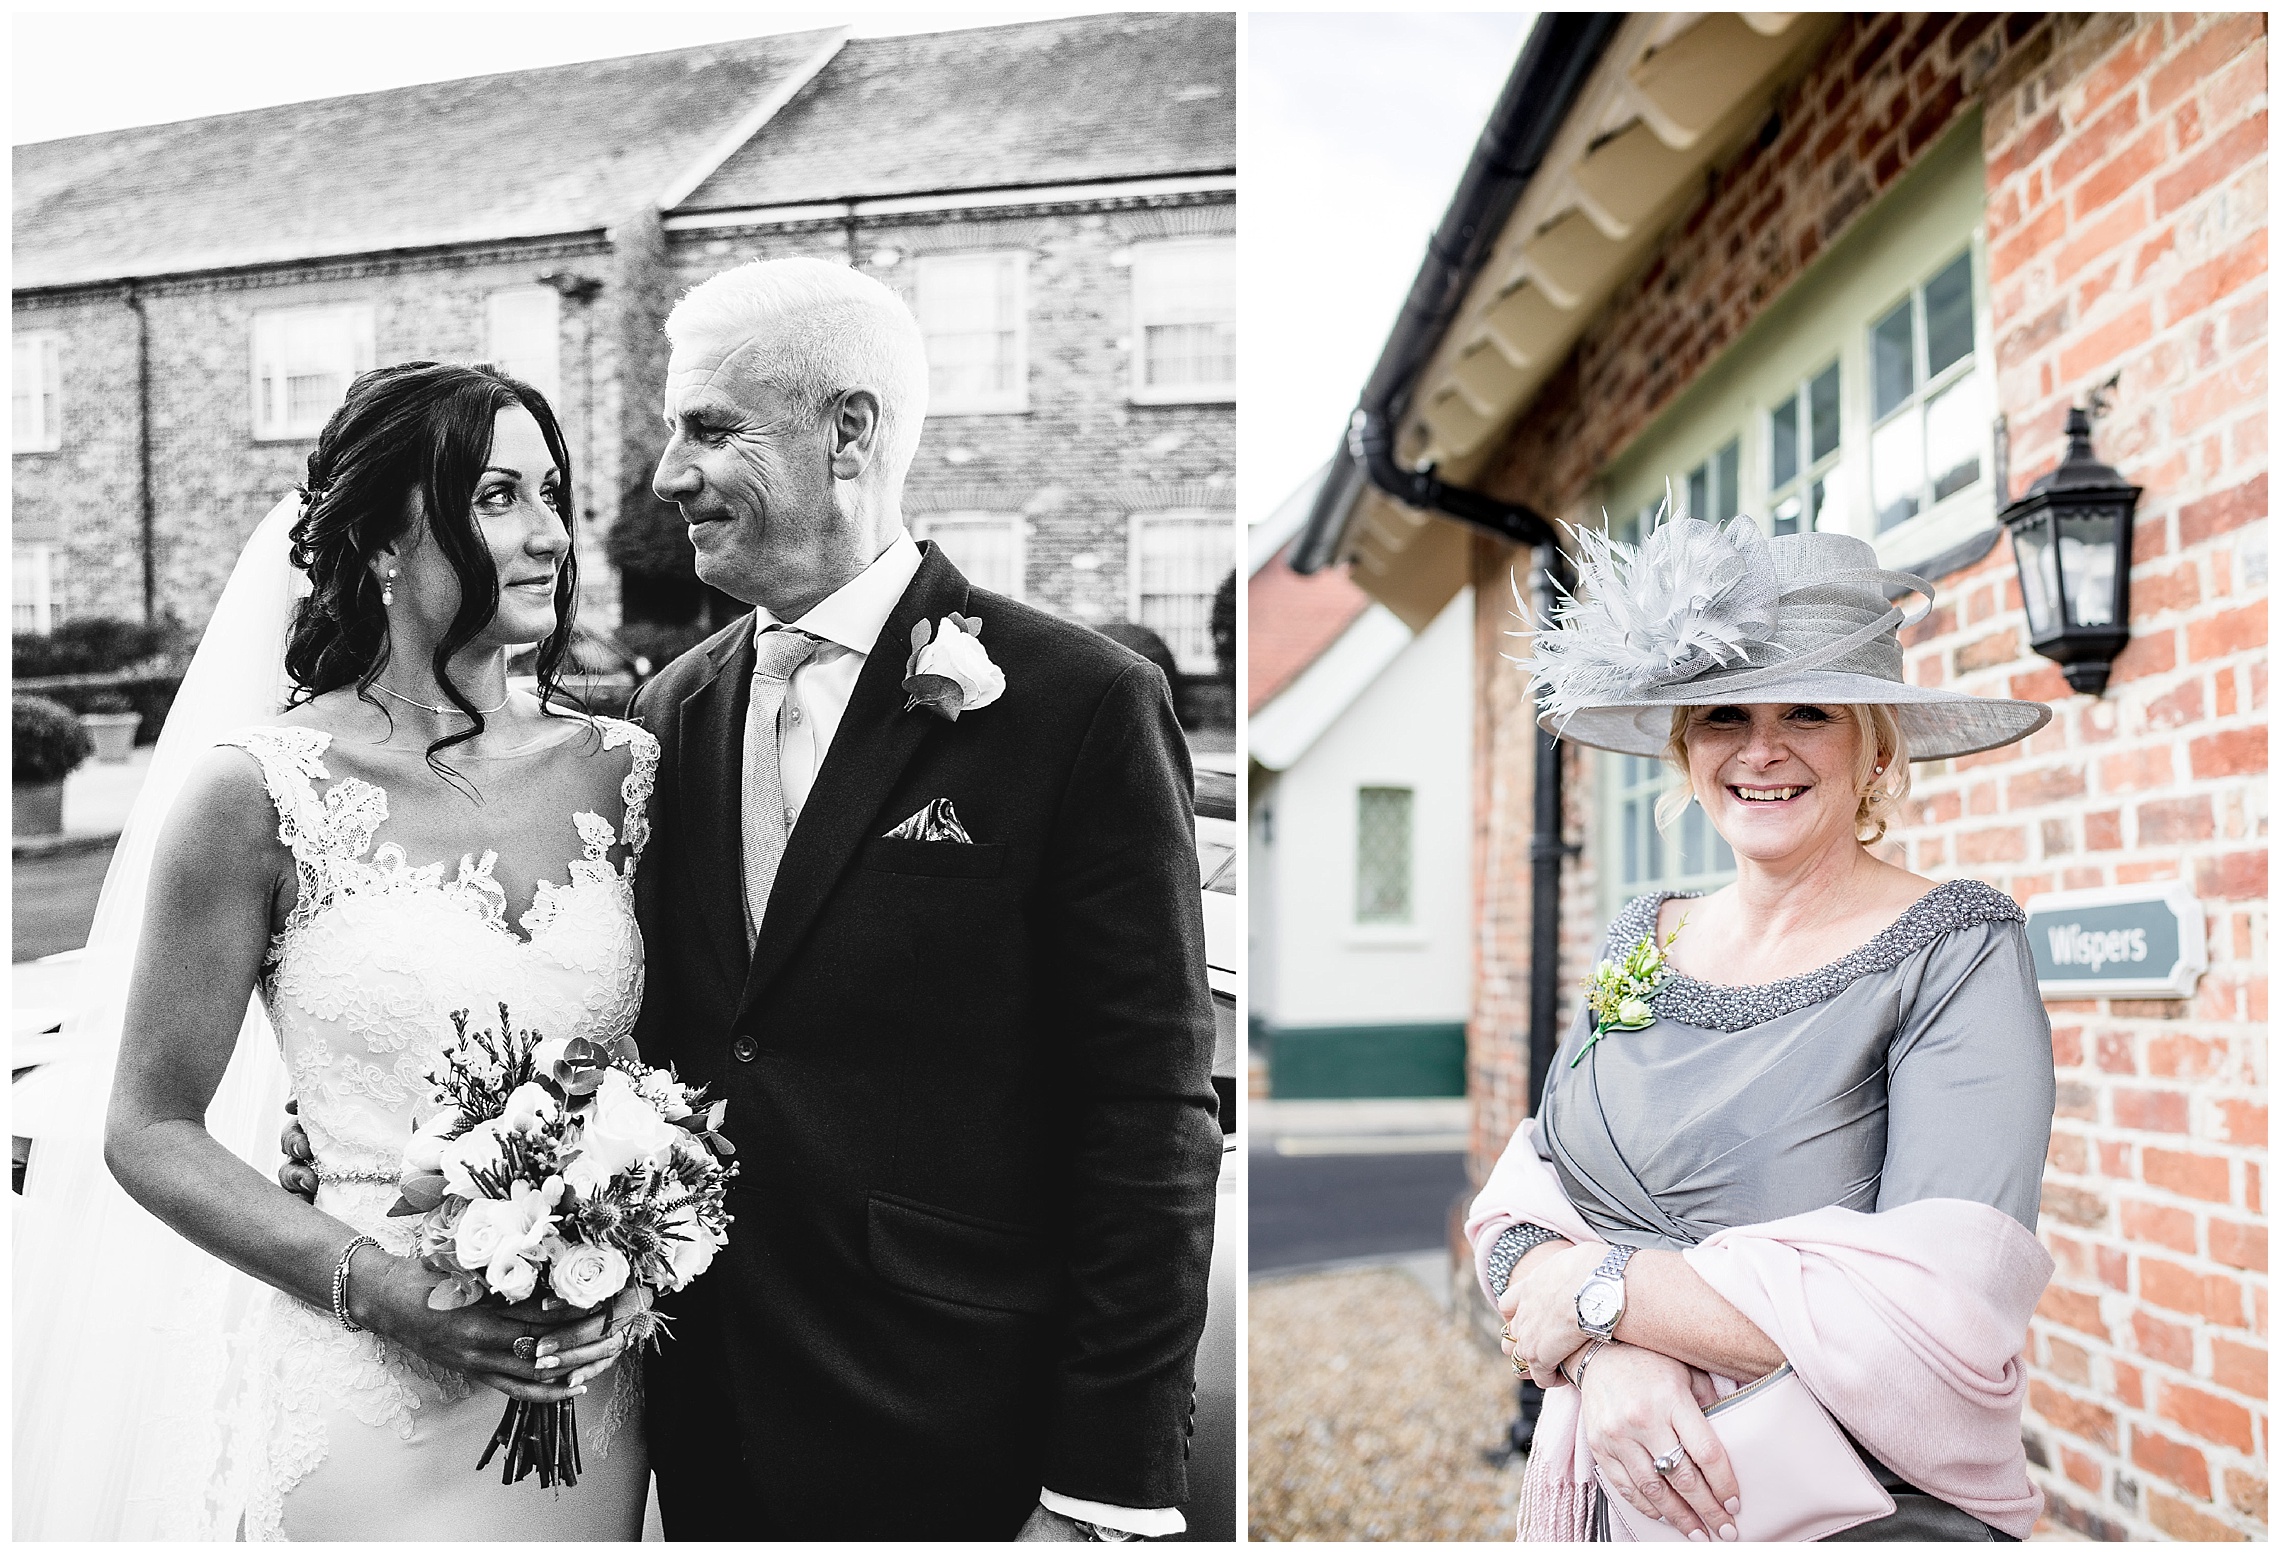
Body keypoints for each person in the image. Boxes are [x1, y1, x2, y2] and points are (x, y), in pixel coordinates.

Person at [622, 257, 1222, 1540]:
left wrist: (1104, 1490)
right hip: (708, 1428)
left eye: (711, 428)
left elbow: (1147, 1110)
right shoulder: (670, 711)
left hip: (963, 1434)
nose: (668, 473)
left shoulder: (1080, 706)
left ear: (850, 434)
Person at [16, 362, 652, 1540]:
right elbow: (149, 1129)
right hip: (368, 1395)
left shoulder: (626, 769)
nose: (551, 534)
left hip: (591, 1381)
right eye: (497, 496)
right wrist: (385, 1289)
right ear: (380, 544)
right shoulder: (257, 792)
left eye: (553, 494)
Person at [1467, 515, 2059, 1542]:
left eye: (1808, 713)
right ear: (1684, 747)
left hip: (1848, 1514)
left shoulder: (1955, 950)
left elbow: (1932, 1323)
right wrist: (1614, 1354)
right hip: (1618, 1497)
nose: (1762, 751)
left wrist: (1598, 1293)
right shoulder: (1639, 940)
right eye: (1724, 715)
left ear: (1876, 748)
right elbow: (1521, 1220)